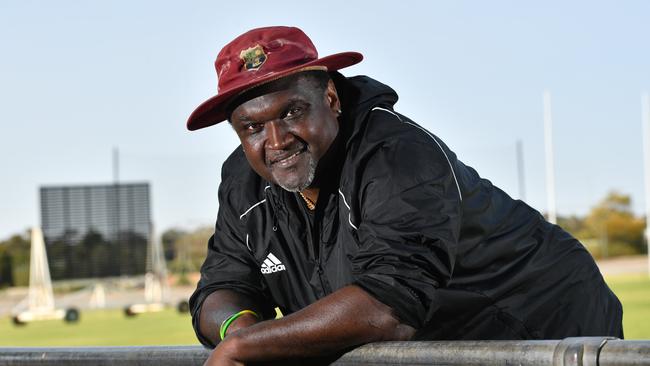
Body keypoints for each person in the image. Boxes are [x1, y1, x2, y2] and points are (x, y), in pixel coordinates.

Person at [187, 26, 623, 365]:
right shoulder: (244, 180)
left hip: (544, 321)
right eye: (253, 127)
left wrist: (252, 346)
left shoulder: (396, 155)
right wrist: (237, 329)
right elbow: (222, 285)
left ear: (332, 99)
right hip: (445, 340)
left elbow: (387, 309)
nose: (277, 140)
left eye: (293, 112)